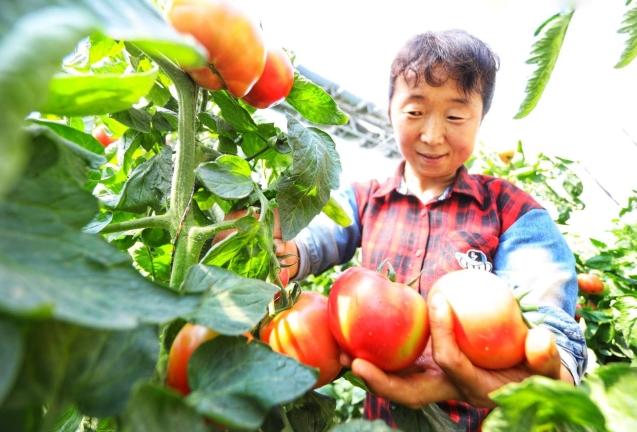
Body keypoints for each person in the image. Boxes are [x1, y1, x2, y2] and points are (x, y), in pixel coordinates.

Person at [274, 29, 587, 430]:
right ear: (391, 110)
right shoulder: (366, 198)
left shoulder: (511, 210)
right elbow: (323, 233)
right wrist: (289, 248)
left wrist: (555, 362)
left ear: (479, 121)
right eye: (415, 112)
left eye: (456, 116)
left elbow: (545, 296)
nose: (432, 135)